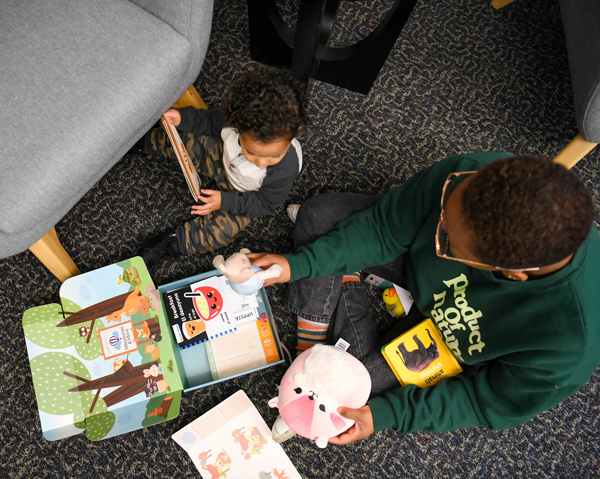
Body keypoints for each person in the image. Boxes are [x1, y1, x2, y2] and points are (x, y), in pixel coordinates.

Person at [249, 153, 600, 446]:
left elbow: (482, 401)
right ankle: (308, 347)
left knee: (350, 391)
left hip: (454, 342)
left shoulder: (571, 344)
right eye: (446, 209)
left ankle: (340, 296)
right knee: (319, 216)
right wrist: (300, 266)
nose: (439, 222)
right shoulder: (472, 175)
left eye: (448, 240)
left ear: (510, 273)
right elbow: (384, 228)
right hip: (413, 268)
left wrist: (388, 414)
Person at [134, 66, 310, 268]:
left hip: (247, 195)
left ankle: (170, 243)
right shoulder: (231, 120)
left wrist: (224, 201)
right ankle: (140, 143)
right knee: (187, 141)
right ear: (237, 125)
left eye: (274, 155)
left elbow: (264, 204)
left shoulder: (283, 170)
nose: (261, 163)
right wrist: (182, 118)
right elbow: (207, 121)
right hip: (222, 160)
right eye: (251, 152)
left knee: (220, 233)